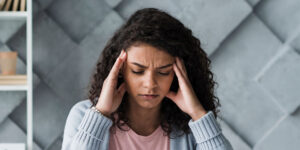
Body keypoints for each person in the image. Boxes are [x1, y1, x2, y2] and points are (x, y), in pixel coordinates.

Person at [61, 8, 233, 150]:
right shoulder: (83, 116)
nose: (150, 84)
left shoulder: (189, 126)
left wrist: (197, 113)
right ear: (120, 70)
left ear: (179, 74)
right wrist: (101, 113)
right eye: (137, 71)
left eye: (163, 72)